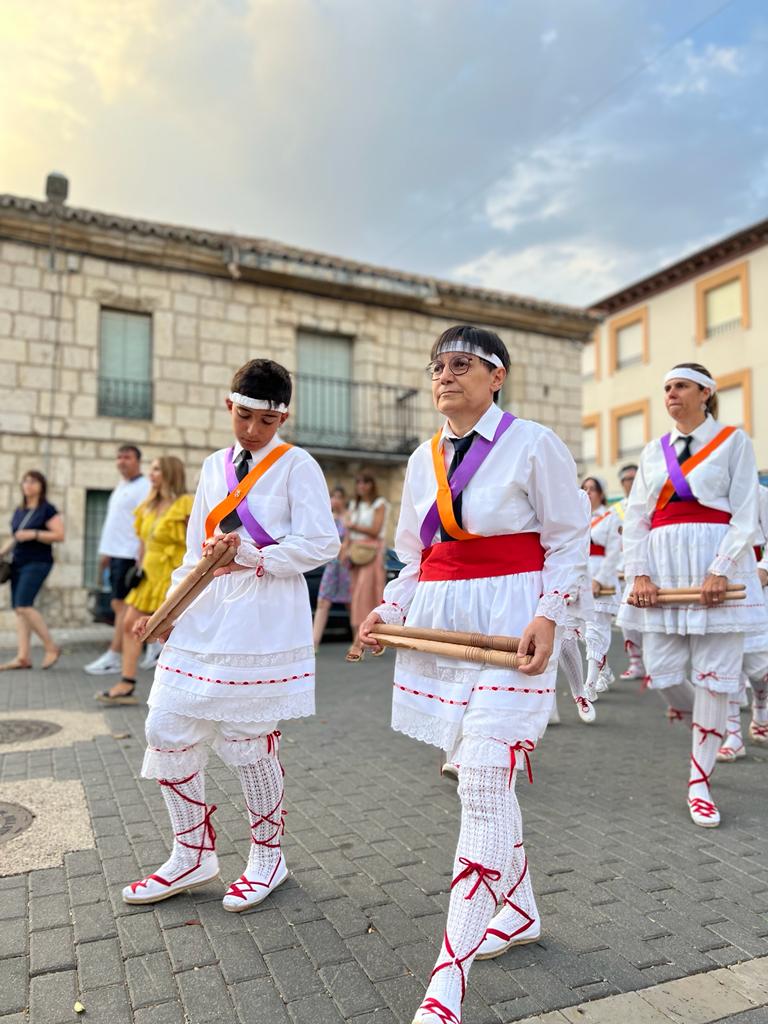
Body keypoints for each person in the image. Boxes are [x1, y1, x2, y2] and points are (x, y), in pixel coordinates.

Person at [358, 325, 585, 1024]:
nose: (445, 375)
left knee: (486, 777)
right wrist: (387, 609)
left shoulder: (534, 442)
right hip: (444, 632)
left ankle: (447, 982)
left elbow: (569, 537)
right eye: (438, 366)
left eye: (463, 364)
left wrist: (550, 612)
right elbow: (413, 552)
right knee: (482, 778)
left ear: (497, 377)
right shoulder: (423, 456)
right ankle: (516, 913)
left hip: (511, 625)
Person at [121, 359, 339, 911]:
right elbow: (197, 550)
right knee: (166, 726)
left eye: (264, 422)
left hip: (262, 612)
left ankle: (269, 857)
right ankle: (192, 854)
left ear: (282, 417)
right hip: (206, 610)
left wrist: (258, 557)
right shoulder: (214, 464)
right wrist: (165, 610)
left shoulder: (298, 466)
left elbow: (322, 542)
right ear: (229, 407)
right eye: (243, 416)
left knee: (246, 739)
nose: (251, 431)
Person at [618, 362, 765, 827]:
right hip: (664, 569)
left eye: (680, 386)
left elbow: (745, 513)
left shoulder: (734, 441)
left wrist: (721, 569)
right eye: (666, 388)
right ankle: (713, 719)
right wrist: (639, 573)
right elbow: (637, 516)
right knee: (661, 675)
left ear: (706, 392)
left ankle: (699, 780)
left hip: (715, 564)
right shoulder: (652, 451)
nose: (671, 394)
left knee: (716, 676)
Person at [95, 456, 192, 705]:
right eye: (151, 470)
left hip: (174, 576)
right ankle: (127, 683)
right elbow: (143, 544)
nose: (151, 474)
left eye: (157, 469)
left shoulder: (185, 504)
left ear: (170, 473)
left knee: (174, 633)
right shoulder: (148, 505)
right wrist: (138, 567)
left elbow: (196, 543)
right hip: (148, 575)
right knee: (129, 624)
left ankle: (184, 688)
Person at [85, 445, 151, 675]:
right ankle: (152, 646)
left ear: (138, 461)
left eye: (127, 457)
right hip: (114, 554)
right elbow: (114, 524)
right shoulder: (122, 486)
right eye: (119, 457)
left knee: (124, 606)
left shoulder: (144, 487)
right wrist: (105, 554)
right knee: (117, 604)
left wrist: (139, 559)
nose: (122, 461)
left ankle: (115, 654)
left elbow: (145, 525)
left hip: (129, 555)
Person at [717, 481, 768, 761]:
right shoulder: (711, 493)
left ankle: (761, 705)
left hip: (758, 587)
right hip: (722, 585)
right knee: (728, 659)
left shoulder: (760, 495)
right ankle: (733, 734)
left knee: (759, 665)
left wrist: (764, 570)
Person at [0, 471, 65, 671]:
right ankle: (23, 657)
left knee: (24, 606)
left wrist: (33, 534)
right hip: (17, 562)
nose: (28, 485)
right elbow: (16, 537)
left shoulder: (47, 510)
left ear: (41, 486)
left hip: (37, 562)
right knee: (20, 612)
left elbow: (59, 535)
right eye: (25, 481)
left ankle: (51, 647)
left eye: (33, 481)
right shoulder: (20, 510)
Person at [581, 476, 621, 692]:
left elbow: (614, 552)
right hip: (580, 575)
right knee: (580, 632)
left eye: (592, 489)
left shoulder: (611, 517)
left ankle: (589, 687)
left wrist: (600, 579)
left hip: (601, 577)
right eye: (584, 488)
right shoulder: (575, 518)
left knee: (595, 630)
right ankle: (603, 671)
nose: (587, 492)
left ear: (601, 493)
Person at [345, 472, 389, 662]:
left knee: (367, 596)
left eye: (365, 482)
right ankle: (371, 640)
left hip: (371, 553)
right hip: (355, 554)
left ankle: (358, 644)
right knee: (355, 597)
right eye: (359, 482)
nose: (362, 486)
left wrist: (352, 525)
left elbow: (375, 530)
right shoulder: (354, 505)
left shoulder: (379, 504)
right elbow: (347, 531)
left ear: (372, 485)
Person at [615, 463, 645, 681]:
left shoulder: (649, 502)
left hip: (648, 569)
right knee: (627, 620)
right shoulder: (615, 510)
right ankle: (636, 662)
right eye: (627, 479)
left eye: (635, 478)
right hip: (623, 572)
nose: (632, 482)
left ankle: (654, 664)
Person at [312, 486, 351, 649]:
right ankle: (313, 644)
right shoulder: (327, 518)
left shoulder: (349, 518)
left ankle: (359, 642)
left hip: (346, 566)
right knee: (323, 602)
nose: (334, 500)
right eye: (332, 497)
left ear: (343, 499)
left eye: (338, 497)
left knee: (351, 604)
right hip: (331, 565)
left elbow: (352, 540)